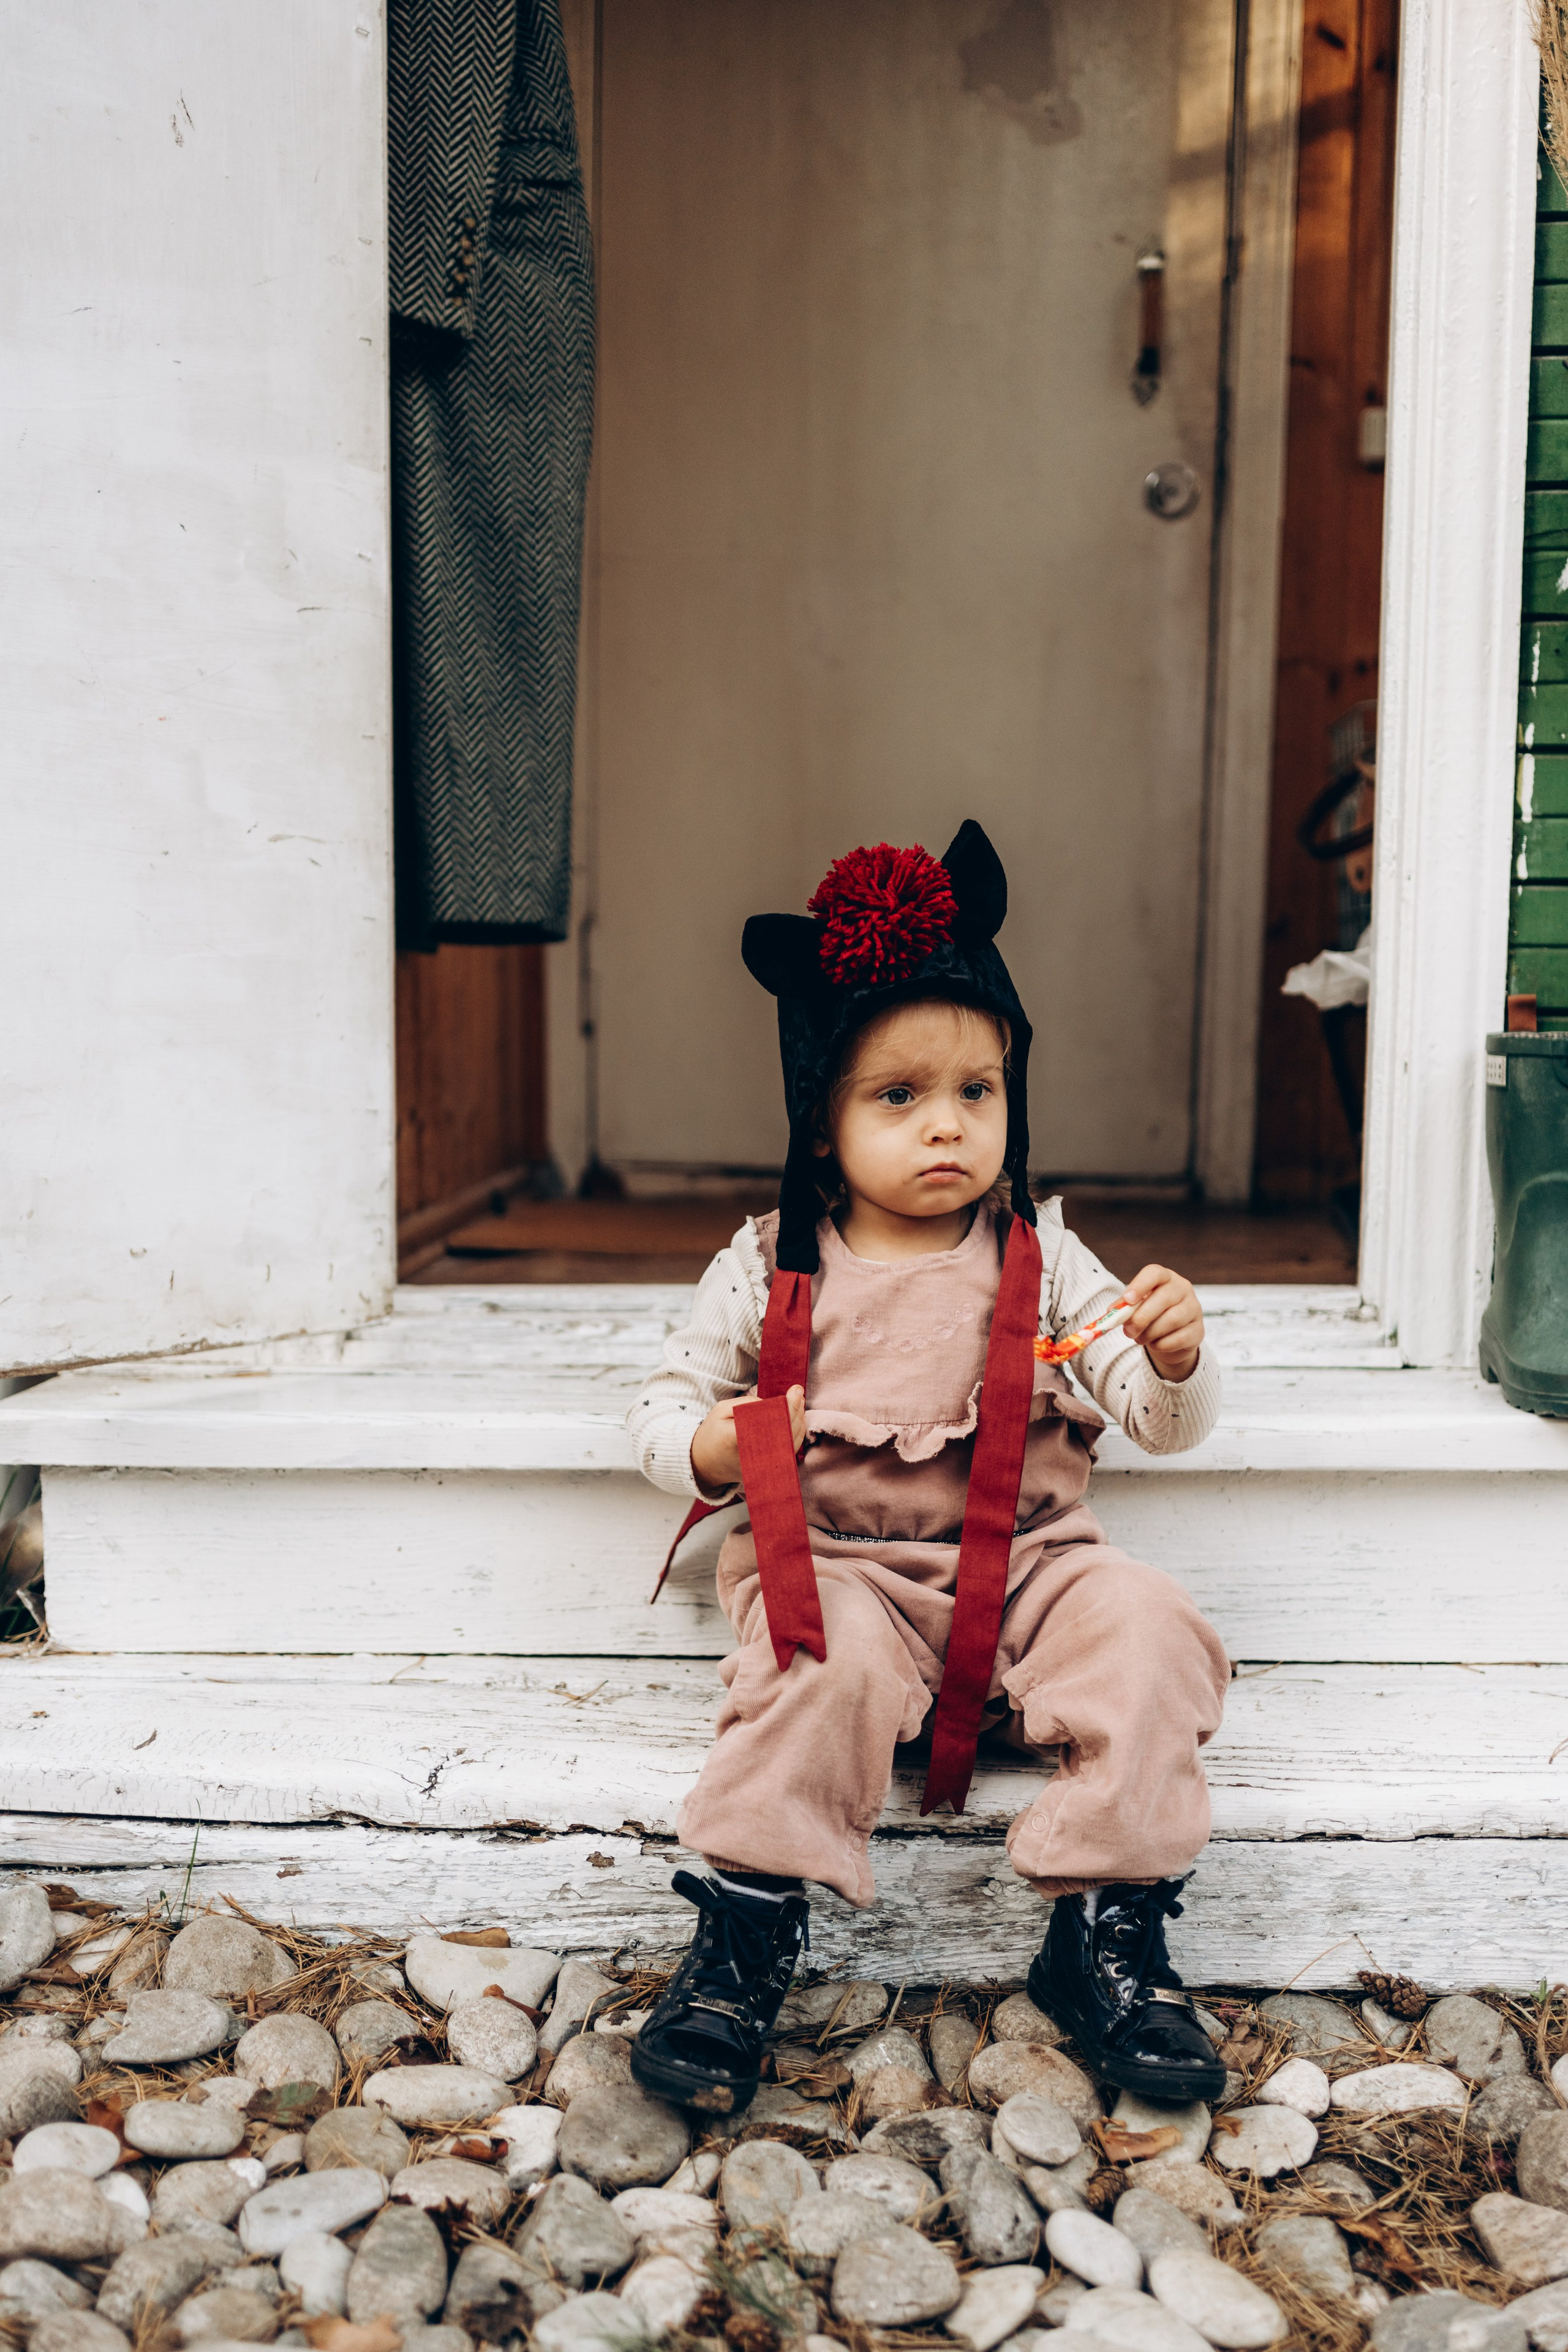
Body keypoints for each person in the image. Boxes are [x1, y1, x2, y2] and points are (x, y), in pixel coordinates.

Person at [625, 823, 1231, 2118]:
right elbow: (660, 1406)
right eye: (896, 1098)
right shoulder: (770, 1262)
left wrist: (1170, 1364)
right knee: (812, 1658)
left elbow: (1150, 1414)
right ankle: (742, 1941)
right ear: (821, 1116)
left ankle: (1106, 1936)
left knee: (1148, 1625)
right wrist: (710, 1444)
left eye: (977, 1091)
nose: (945, 1129)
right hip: (838, 1571)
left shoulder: (1046, 1256)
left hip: (1031, 1574)